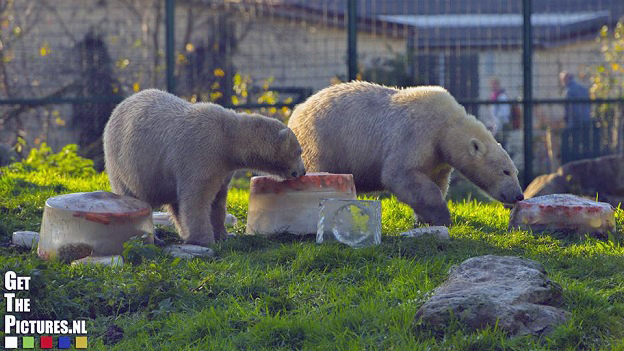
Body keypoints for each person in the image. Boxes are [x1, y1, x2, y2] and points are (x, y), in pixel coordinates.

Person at [487, 77, 512, 142]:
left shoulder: (502, 97)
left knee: (502, 144)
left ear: (498, 85)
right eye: (492, 85)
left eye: (494, 84)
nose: (493, 87)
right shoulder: (493, 96)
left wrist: (497, 128)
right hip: (495, 126)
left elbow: (504, 113)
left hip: (501, 126)